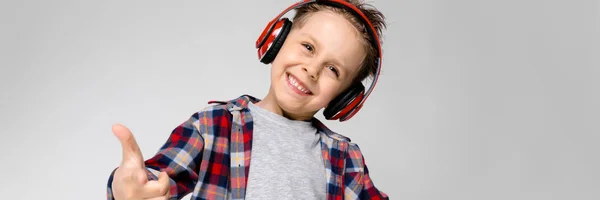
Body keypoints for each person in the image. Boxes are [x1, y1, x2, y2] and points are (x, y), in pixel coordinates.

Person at [107, 0, 388, 199]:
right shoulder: (213, 126)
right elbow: (154, 180)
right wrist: (127, 189)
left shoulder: (346, 159)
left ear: (345, 99)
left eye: (333, 69)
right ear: (276, 40)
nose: (311, 70)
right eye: (308, 47)